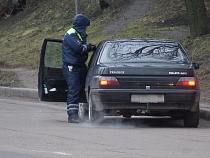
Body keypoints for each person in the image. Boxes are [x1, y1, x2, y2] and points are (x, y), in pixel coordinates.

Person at [62, 14, 96, 123]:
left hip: (78, 66)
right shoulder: (71, 34)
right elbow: (78, 48)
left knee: (82, 89)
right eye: (85, 26)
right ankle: (72, 116)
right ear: (82, 25)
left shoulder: (77, 34)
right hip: (71, 67)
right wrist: (89, 47)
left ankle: (84, 114)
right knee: (74, 89)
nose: (86, 28)